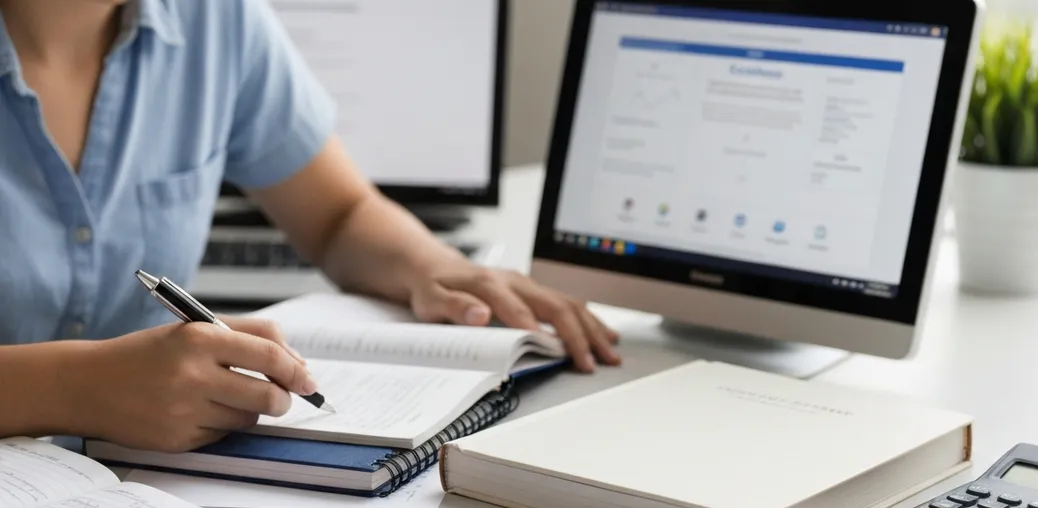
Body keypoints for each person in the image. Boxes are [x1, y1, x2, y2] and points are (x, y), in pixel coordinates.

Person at [0, 0, 620, 453]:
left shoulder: (217, 20)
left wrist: (436, 268)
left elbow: (338, 215)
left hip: (132, 488)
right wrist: (74, 388)